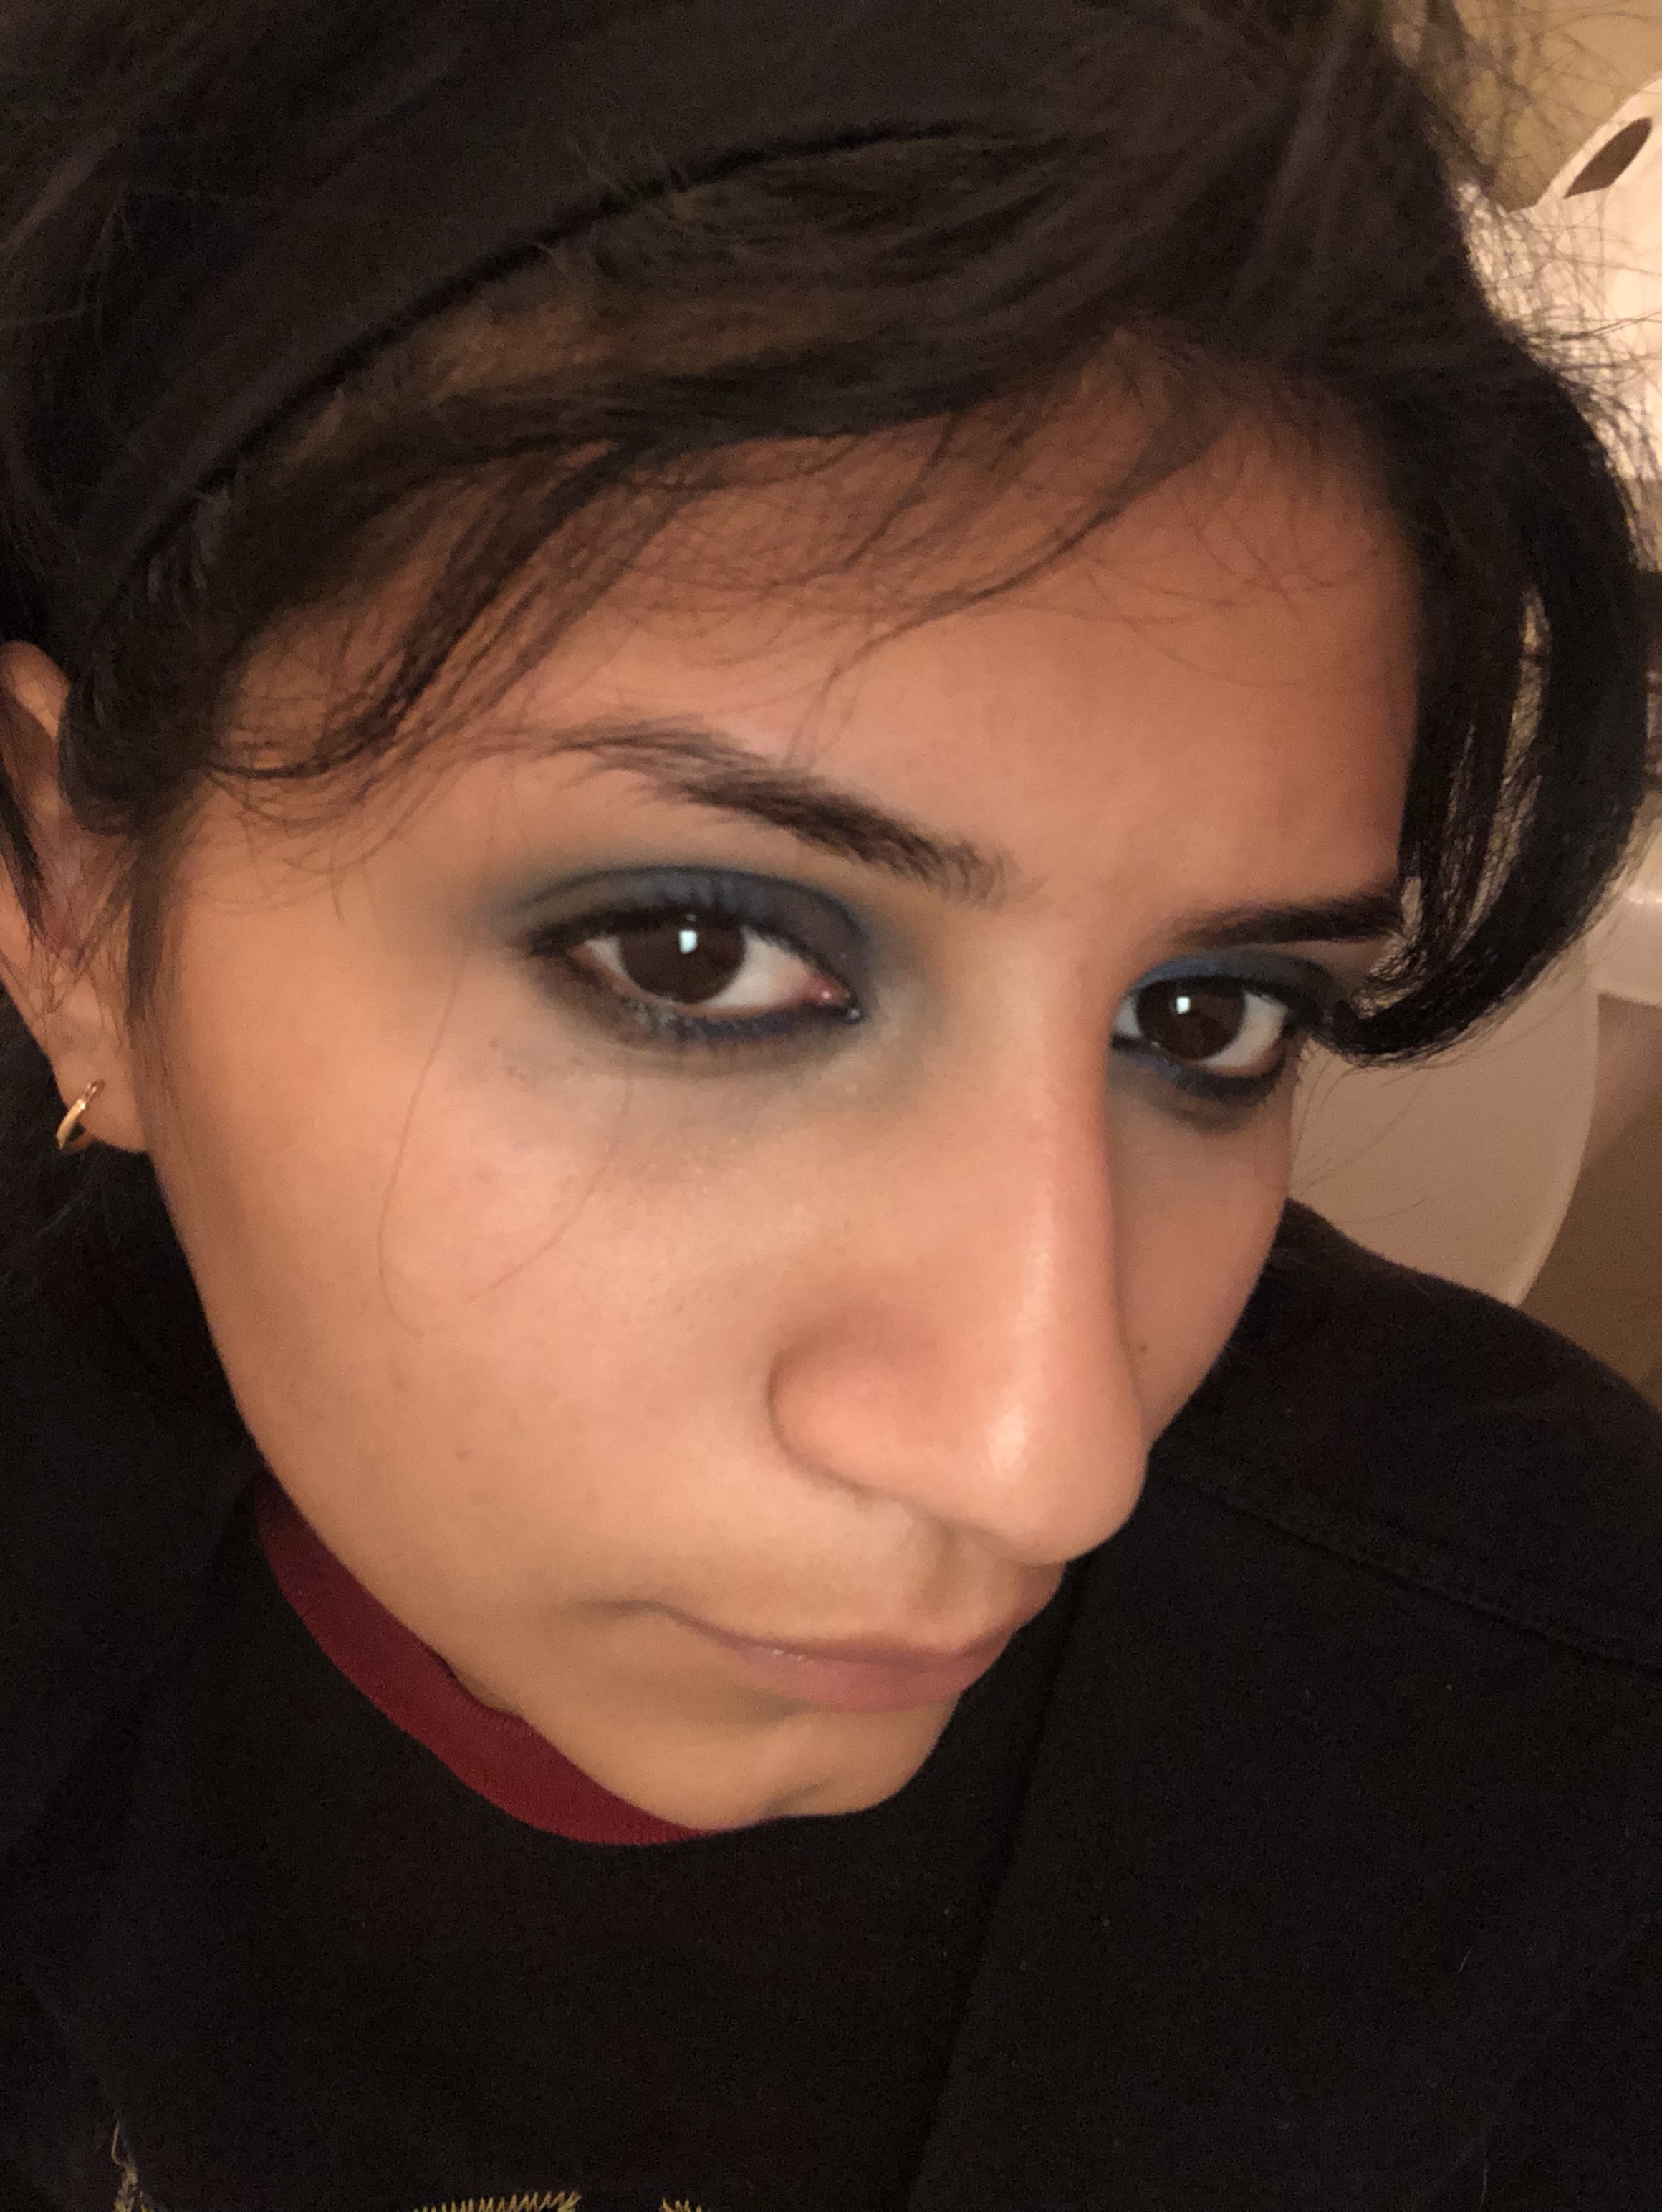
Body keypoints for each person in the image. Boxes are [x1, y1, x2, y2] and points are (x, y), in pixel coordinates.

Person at [0, 2, 1658, 2207]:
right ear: (76, 901)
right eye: (694, 957)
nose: (1049, 1454)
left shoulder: (1562, 1782)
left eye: (1212, 1016)